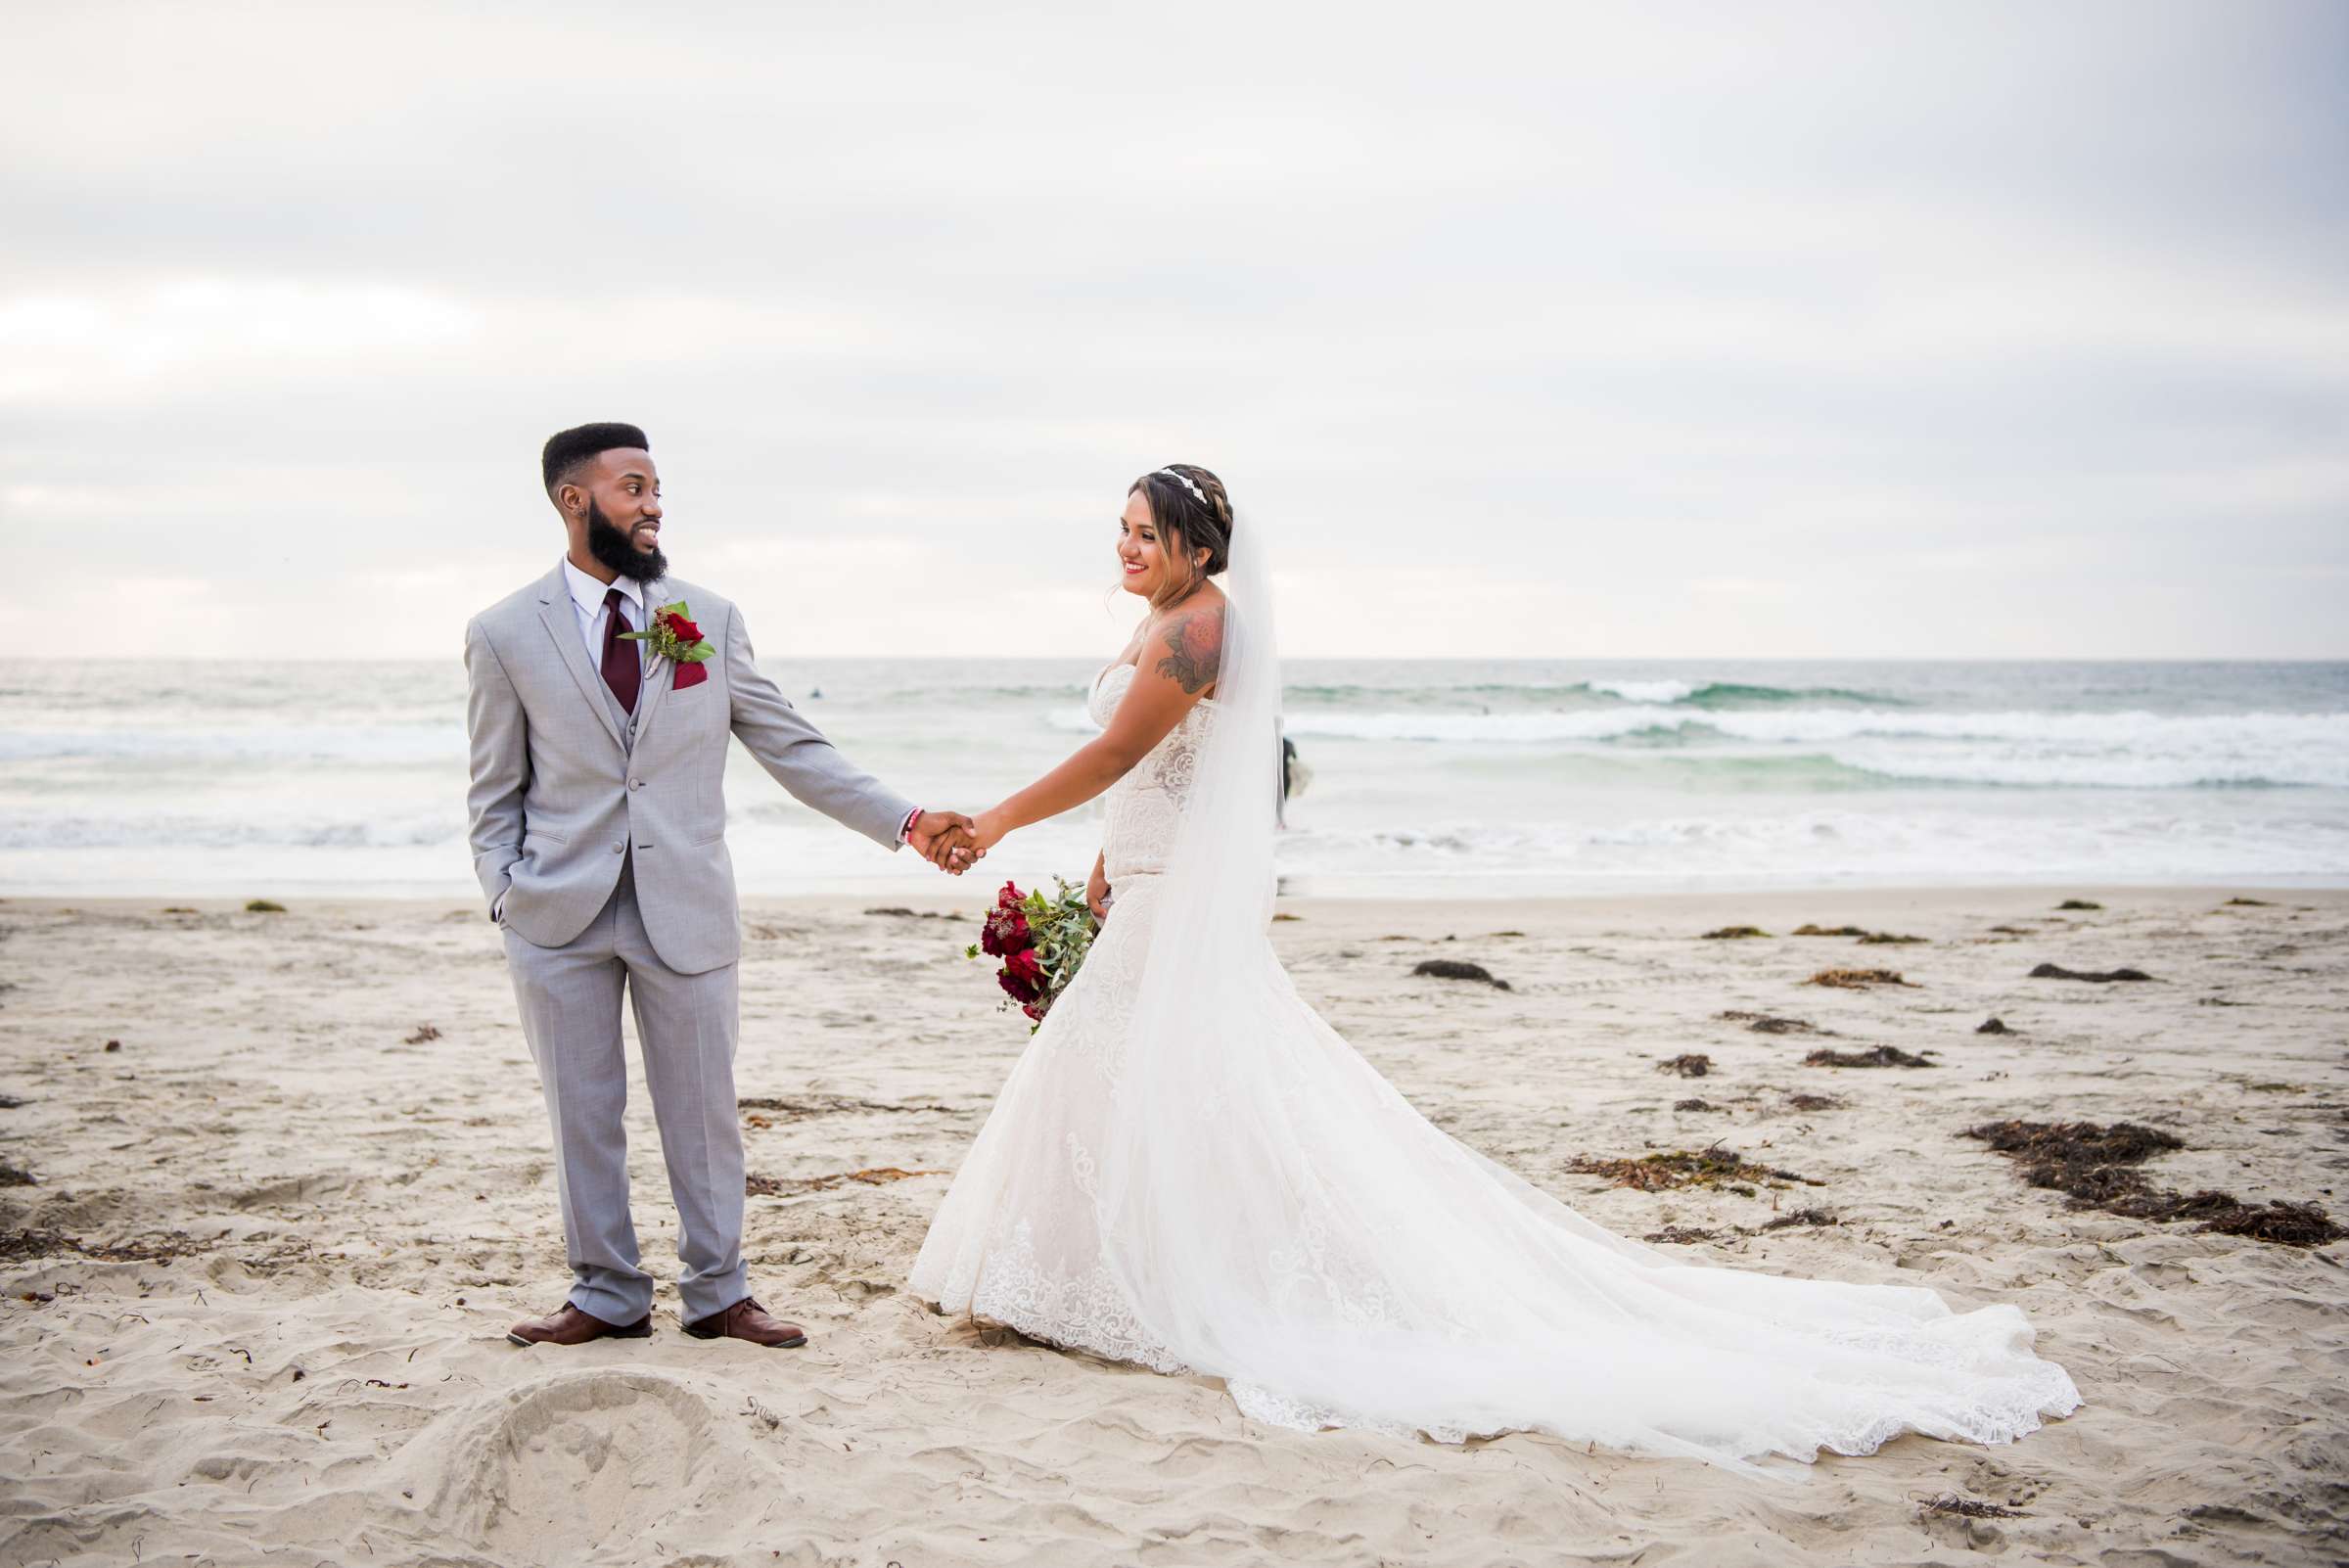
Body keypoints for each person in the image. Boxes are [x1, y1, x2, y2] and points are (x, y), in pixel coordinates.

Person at [909, 463, 2080, 1471]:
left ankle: (1140, 1282)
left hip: (1176, 908)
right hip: (1153, 888)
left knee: (1144, 1073)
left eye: (1143, 531)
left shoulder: (1199, 625)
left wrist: (1003, 820)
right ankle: (1102, 1275)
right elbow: (1173, 770)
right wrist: (1113, 860)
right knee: (1142, 1078)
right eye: (1118, 527)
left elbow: (1121, 747)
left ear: (1198, 547)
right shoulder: (1166, 620)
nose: (1124, 545)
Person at [465, 422, 977, 1352]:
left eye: (658, 488)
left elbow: (791, 745)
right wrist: (506, 895)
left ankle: (719, 1294)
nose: (654, 504)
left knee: (703, 1115)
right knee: (582, 1115)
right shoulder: (503, 633)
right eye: (633, 487)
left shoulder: (710, 618)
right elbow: (493, 787)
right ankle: (606, 1294)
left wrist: (904, 821)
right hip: (557, 914)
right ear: (573, 500)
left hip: (686, 909)